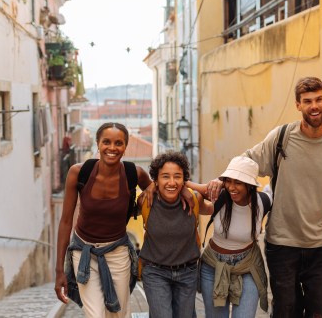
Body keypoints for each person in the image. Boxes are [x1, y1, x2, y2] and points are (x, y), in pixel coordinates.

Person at [205, 77, 322, 317]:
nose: (314, 106)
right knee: (285, 312)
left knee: (319, 313)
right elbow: (247, 162)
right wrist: (221, 180)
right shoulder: (281, 137)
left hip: (320, 246)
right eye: (307, 101)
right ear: (298, 105)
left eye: (318, 100)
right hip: (282, 245)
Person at [54, 122, 152, 317]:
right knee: (96, 314)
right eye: (106, 142)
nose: (112, 148)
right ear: (97, 144)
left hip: (118, 253)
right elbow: (65, 222)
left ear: (125, 147)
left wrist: (156, 188)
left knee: (118, 314)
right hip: (83, 253)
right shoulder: (79, 173)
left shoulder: (135, 174)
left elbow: (158, 192)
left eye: (119, 143)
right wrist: (59, 271)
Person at [198, 156, 270, 317]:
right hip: (213, 267)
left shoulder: (262, 202)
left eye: (238, 182)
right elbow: (186, 186)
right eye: (228, 181)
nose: (232, 187)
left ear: (250, 185)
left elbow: (276, 189)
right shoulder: (219, 195)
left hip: (248, 267)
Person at [138, 151, 204, 318]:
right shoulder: (146, 201)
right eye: (165, 176)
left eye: (178, 177)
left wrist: (187, 188)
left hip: (187, 273)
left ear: (184, 179)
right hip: (155, 272)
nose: (171, 182)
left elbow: (214, 193)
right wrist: (152, 186)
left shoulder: (194, 200)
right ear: (156, 180)